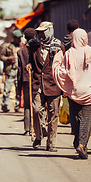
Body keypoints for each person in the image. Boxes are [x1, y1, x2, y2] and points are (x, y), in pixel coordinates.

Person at [52, 28, 91, 159]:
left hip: (74, 91)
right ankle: (81, 145)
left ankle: (78, 142)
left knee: (76, 119)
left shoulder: (69, 53)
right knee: (86, 120)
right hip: (90, 92)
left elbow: (64, 72)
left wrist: (58, 57)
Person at [27, 21, 65, 152]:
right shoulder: (34, 45)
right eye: (39, 32)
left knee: (53, 115)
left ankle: (51, 143)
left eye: (43, 32)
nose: (40, 35)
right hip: (38, 84)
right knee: (37, 110)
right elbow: (30, 61)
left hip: (53, 85)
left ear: (49, 31)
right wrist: (29, 65)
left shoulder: (58, 46)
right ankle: (39, 135)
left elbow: (63, 66)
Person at [17, 28, 36, 135]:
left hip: (25, 80)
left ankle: (27, 128)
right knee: (36, 104)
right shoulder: (37, 49)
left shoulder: (21, 51)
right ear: (34, 37)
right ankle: (37, 128)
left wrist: (19, 86)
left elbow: (19, 70)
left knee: (27, 105)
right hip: (35, 80)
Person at [62, 19, 79, 135]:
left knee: (71, 101)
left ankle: (73, 127)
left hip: (68, 74)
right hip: (79, 74)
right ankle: (80, 127)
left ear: (67, 29)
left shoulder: (63, 44)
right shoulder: (80, 43)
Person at [0, 29, 23, 112]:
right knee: (7, 89)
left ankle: (17, 106)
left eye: (20, 37)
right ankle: (4, 105)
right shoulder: (8, 47)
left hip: (19, 71)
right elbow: (1, 56)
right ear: (13, 38)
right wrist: (8, 59)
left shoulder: (22, 46)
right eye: (17, 38)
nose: (19, 39)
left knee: (18, 89)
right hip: (10, 70)